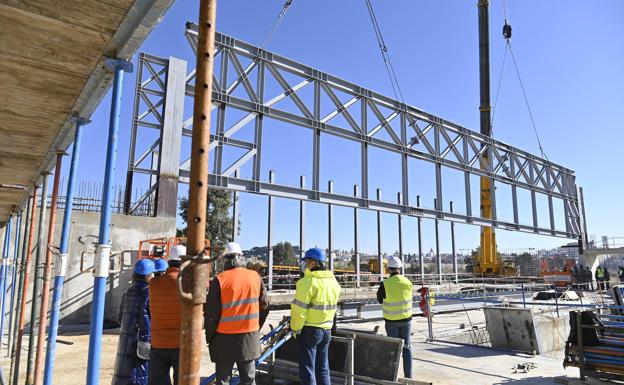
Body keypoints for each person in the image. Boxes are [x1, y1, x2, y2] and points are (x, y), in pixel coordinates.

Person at [204, 242, 269, 385]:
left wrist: (210, 337)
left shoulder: (219, 280)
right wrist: (255, 327)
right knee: (248, 380)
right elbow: (264, 306)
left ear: (225, 259)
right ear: (241, 258)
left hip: (223, 339)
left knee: (223, 381)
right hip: (249, 337)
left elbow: (211, 315)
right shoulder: (255, 277)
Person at [291, 248, 341, 385]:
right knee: (323, 369)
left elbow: (299, 310)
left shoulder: (307, 282)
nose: (305, 264)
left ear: (313, 263)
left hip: (309, 331)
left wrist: (295, 329)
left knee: (307, 372)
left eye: (306, 261)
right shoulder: (334, 283)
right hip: (326, 330)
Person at [112, 259, 155, 385]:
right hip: (142, 341)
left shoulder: (128, 292)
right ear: (149, 276)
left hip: (126, 340)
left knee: (125, 373)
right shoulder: (148, 292)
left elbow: (120, 317)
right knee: (140, 375)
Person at [148, 245, 185, 385]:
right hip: (181, 343)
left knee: (157, 381)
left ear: (169, 261)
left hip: (158, 342)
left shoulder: (153, 284)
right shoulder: (188, 284)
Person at [376, 256, 413, 378]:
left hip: (392, 321)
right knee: (407, 348)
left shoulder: (385, 284)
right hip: (406, 320)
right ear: (399, 269)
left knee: (393, 349)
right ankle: (408, 376)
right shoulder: (408, 282)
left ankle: (392, 376)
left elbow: (380, 299)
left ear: (388, 269)